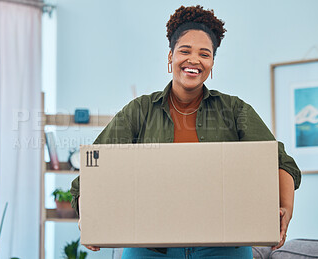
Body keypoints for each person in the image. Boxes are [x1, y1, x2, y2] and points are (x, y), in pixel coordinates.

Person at [70, 5, 301, 259]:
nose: (194, 60)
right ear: (170, 57)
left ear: (212, 63)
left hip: (223, 249)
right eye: (184, 51)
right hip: (150, 250)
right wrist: (89, 216)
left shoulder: (235, 110)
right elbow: (96, 165)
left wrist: (285, 209)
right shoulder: (140, 110)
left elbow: (280, 162)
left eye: (205, 54)